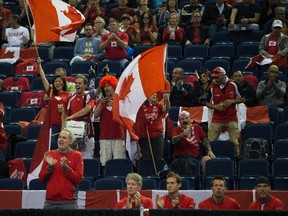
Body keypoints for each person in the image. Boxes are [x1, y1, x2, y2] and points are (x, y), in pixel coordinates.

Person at [39, 129, 84, 209]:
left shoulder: (77, 155)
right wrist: (49, 167)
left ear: (70, 141)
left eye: (64, 138)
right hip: (50, 202)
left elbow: (78, 179)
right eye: (59, 137)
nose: (61, 140)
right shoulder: (50, 154)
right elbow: (41, 178)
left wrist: (66, 168)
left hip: (69, 202)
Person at [206, 67, 244, 156]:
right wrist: (215, 106)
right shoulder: (212, 87)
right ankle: (210, 158)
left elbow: (243, 99)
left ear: (223, 76)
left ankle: (236, 159)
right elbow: (207, 103)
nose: (215, 79)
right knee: (211, 141)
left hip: (231, 117)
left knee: (234, 142)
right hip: (217, 118)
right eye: (214, 77)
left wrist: (232, 101)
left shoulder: (234, 84)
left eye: (217, 77)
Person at [94, 75, 126, 171]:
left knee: (119, 163)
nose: (106, 88)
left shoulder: (121, 100)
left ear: (114, 86)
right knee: (105, 163)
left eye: (109, 85)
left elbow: (125, 115)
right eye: (105, 86)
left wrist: (116, 106)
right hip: (104, 136)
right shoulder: (101, 101)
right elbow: (95, 115)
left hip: (118, 135)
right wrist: (101, 104)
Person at [62, 74, 95, 159]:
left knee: (86, 160)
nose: (77, 85)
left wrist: (72, 116)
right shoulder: (70, 97)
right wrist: (63, 126)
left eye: (80, 83)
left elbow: (87, 109)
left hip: (87, 134)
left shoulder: (88, 97)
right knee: (72, 159)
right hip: (72, 134)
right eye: (76, 83)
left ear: (85, 85)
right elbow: (64, 113)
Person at [135, 93, 170, 160]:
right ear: (147, 97)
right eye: (152, 94)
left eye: (155, 94)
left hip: (157, 136)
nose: (155, 95)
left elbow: (166, 109)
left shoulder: (159, 105)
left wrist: (167, 100)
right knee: (146, 158)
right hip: (145, 136)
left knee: (158, 158)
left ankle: (158, 170)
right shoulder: (141, 107)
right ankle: (148, 170)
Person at [37, 57, 71, 127]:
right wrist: (39, 64)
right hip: (54, 125)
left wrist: (65, 111)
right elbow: (43, 79)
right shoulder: (51, 92)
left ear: (63, 83)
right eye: (55, 81)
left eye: (59, 81)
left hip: (66, 124)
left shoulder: (69, 95)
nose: (57, 83)